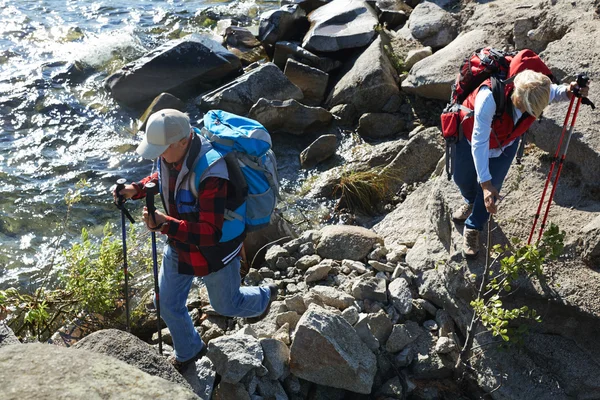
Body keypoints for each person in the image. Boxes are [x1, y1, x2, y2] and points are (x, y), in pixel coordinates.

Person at [114, 109, 277, 371]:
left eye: (161, 148)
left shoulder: (213, 171)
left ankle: (265, 297)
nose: (157, 154)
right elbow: (162, 178)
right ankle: (189, 350)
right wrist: (137, 189)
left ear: (182, 140)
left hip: (217, 249)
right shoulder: (172, 153)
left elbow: (211, 232)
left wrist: (165, 223)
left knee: (226, 304)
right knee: (166, 303)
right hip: (181, 240)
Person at [452, 70, 590, 258]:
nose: (527, 112)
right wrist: (484, 183)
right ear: (518, 95)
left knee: (492, 191)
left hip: (505, 145)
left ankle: (474, 226)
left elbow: (554, 92)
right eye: (527, 108)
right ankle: (470, 200)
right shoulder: (489, 98)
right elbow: (479, 142)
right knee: (462, 179)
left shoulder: (537, 91)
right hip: (469, 138)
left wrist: (569, 90)